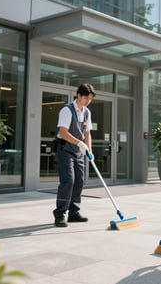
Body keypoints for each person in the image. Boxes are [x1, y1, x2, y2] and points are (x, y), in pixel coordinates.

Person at [53, 83, 96, 227]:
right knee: (68, 180)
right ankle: (60, 214)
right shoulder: (67, 110)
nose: (87, 102)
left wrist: (89, 150)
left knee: (80, 181)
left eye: (90, 99)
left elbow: (88, 133)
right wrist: (80, 143)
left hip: (79, 151)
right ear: (78, 95)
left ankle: (73, 212)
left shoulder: (87, 112)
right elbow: (64, 132)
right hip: (65, 149)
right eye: (86, 98)